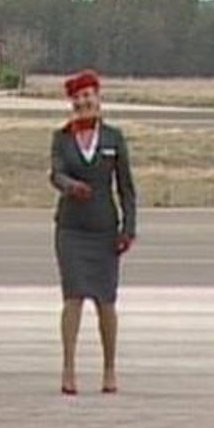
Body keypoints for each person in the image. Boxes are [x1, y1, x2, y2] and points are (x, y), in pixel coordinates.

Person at [49, 70, 136, 395]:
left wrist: (128, 228)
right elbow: (56, 174)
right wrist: (71, 187)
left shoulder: (114, 138)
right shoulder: (62, 138)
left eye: (88, 95)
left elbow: (126, 188)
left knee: (105, 301)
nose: (84, 102)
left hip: (104, 230)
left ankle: (109, 369)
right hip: (71, 230)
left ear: (98, 98)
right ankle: (68, 369)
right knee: (73, 297)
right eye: (78, 97)